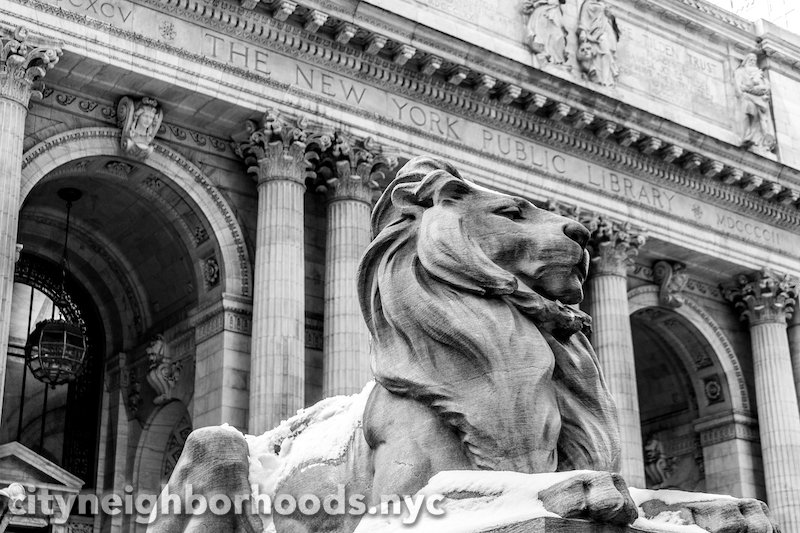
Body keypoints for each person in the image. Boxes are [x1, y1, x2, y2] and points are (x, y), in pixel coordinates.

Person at [734, 53, 776, 153]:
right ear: (746, 61)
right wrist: (745, 91)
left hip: (759, 100)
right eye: (750, 60)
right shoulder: (741, 71)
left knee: (760, 119)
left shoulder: (759, 73)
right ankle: (747, 135)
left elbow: (766, 86)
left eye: (754, 60)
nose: (753, 61)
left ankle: (760, 140)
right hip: (747, 97)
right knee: (747, 114)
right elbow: (738, 86)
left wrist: (756, 89)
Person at [577, 0, 620, 86]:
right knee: (604, 53)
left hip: (606, 31)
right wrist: (583, 31)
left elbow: (613, 23)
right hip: (595, 33)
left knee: (607, 54)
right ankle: (602, 77)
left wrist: (610, 16)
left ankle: (607, 79)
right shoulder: (588, 3)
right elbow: (583, 18)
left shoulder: (602, 4)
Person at [523, 0, 568, 66]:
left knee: (557, 36)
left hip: (554, 12)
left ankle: (555, 59)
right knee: (542, 34)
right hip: (544, 11)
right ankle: (545, 55)